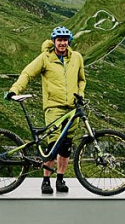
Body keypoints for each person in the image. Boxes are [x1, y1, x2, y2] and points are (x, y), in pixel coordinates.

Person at [7, 26, 86, 195]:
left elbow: (81, 80)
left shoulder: (77, 58)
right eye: (59, 40)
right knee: (53, 145)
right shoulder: (45, 58)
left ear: (68, 41)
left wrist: (80, 94)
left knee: (66, 147)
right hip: (53, 107)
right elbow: (28, 73)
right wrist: (15, 89)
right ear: (54, 42)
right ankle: (45, 181)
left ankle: (60, 179)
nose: (62, 43)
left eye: (65, 40)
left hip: (72, 108)